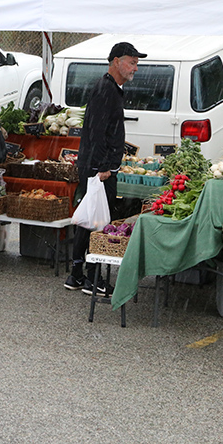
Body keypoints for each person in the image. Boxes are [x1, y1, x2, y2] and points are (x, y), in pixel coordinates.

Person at [64, 41, 146, 296]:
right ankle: (93, 278)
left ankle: (77, 274)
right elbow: (97, 131)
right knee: (98, 221)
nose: (134, 68)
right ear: (115, 61)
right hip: (99, 168)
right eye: (131, 62)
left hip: (97, 165)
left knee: (89, 218)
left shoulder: (112, 89)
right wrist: (103, 167)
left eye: (136, 63)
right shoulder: (105, 89)